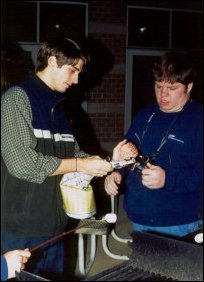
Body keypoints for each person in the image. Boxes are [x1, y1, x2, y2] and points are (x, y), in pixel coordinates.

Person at [1, 38, 137, 279]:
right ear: (52, 62)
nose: (76, 80)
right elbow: (23, 164)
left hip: (54, 225)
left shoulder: (60, 109)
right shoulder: (16, 99)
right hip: (18, 227)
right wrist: (80, 164)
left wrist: (112, 161)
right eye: (72, 70)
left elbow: (76, 156)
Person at [105, 52, 203, 238]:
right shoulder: (145, 114)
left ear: (189, 87)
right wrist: (117, 172)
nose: (163, 94)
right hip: (139, 217)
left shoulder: (199, 120)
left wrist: (168, 179)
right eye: (159, 86)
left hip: (179, 222)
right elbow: (128, 154)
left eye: (172, 88)